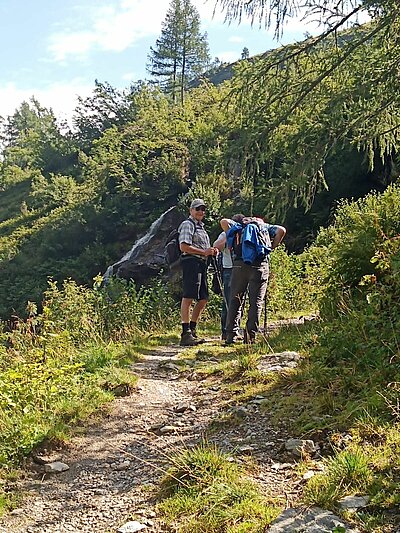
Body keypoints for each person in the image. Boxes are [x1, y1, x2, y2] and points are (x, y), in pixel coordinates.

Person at [220, 216, 286, 345]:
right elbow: (282, 230)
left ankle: (230, 335)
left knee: (235, 299)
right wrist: (272, 247)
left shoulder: (239, 226)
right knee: (256, 302)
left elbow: (223, 222)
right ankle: (250, 336)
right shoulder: (265, 227)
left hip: (239, 264)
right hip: (260, 265)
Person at [178, 198, 218, 346]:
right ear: (191, 210)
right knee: (188, 296)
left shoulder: (201, 227)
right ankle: (185, 333)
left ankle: (192, 329)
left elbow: (205, 249)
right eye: (197, 209)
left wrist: (211, 252)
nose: (201, 211)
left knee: (203, 298)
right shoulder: (187, 225)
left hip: (201, 263)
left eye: (203, 209)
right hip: (190, 262)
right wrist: (204, 252)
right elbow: (183, 247)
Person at [213, 214, 245, 341]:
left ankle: (234, 329)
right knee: (229, 300)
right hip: (229, 269)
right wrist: (229, 236)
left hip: (238, 269)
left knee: (238, 301)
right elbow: (216, 246)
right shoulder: (225, 234)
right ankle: (225, 331)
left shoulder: (244, 233)